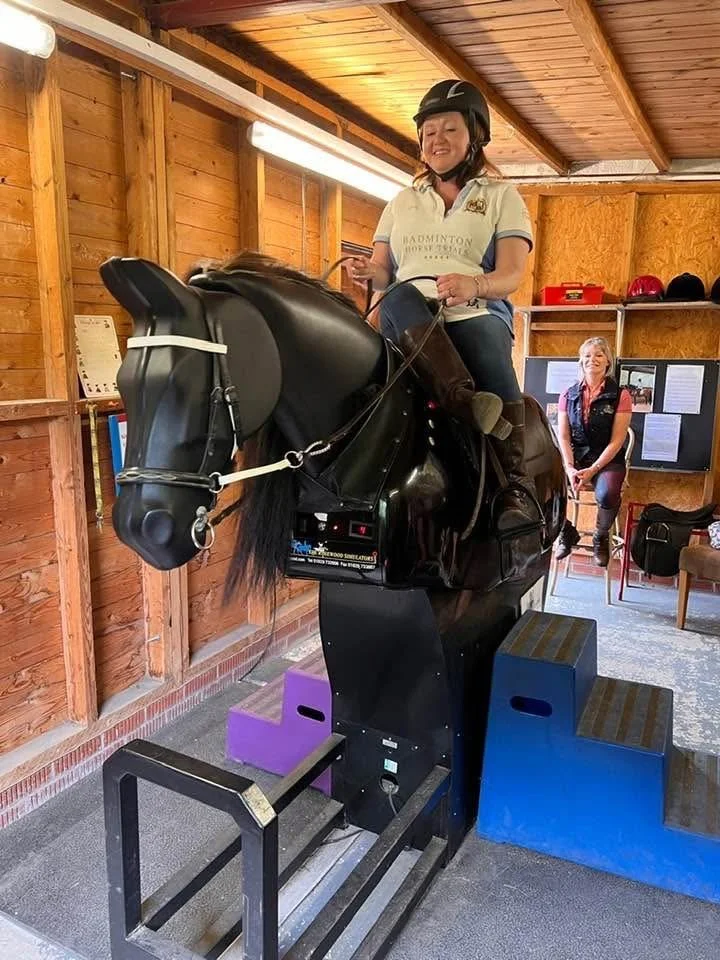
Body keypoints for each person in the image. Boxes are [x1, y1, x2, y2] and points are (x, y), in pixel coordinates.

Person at [347, 79, 535, 531]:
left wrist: (475, 284)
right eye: (429, 133)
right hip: (408, 316)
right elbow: (384, 272)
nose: (438, 141)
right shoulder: (400, 202)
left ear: (475, 137)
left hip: (472, 313)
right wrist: (371, 274)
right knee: (399, 295)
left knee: (492, 353)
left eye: (450, 130)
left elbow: (513, 273)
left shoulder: (500, 198)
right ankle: (467, 404)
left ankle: (517, 485)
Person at [555, 337, 632, 567]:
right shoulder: (567, 395)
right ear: (581, 361)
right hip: (576, 458)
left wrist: (593, 470)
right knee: (543, 485)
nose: (593, 360)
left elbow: (618, 440)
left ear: (608, 361)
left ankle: (600, 536)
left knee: (607, 493)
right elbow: (564, 436)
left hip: (607, 459)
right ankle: (565, 530)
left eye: (599, 354)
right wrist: (569, 467)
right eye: (587, 355)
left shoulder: (621, 395)